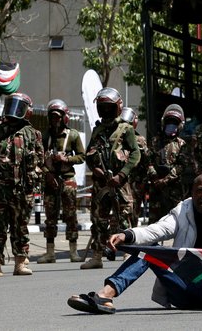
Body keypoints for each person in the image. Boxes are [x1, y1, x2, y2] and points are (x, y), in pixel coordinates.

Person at [66, 173, 202, 315]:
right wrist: (127, 235)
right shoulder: (182, 210)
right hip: (186, 290)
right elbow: (157, 229)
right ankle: (105, 297)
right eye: (200, 190)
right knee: (149, 250)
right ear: (191, 193)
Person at [0, 92, 44, 277]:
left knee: (20, 228)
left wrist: (34, 183)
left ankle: (21, 263)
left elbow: (40, 162)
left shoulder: (33, 135)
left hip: (22, 191)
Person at [80, 87, 141, 269]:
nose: (106, 110)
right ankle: (97, 256)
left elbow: (135, 154)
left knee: (124, 218)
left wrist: (122, 174)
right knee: (99, 219)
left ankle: (128, 255)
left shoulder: (126, 129)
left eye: (109, 107)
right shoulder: (98, 129)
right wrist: (95, 169)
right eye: (103, 107)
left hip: (120, 183)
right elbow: (89, 154)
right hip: (101, 185)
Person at [36, 99, 86, 264]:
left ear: (64, 118)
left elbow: (82, 156)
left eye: (58, 117)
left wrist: (67, 159)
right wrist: (47, 174)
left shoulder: (72, 135)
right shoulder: (45, 136)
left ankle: (73, 251)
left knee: (71, 215)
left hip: (67, 180)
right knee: (50, 217)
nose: (55, 120)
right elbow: (38, 159)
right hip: (50, 180)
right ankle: (50, 252)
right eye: (52, 117)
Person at [147, 104, 189, 223]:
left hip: (174, 188)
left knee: (177, 221)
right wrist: (155, 178)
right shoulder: (155, 141)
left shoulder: (181, 144)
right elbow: (148, 161)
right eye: (169, 123)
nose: (171, 126)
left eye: (174, 123)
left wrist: (165, 180)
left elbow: (182, 165)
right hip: (156, 189)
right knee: (154, 223)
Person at [120, 107, 149, 227]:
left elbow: (147, 161)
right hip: (120, 182)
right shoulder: (117, 137)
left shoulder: (140, 140)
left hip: (135, 184)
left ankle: (131, 240)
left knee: (133, 215)